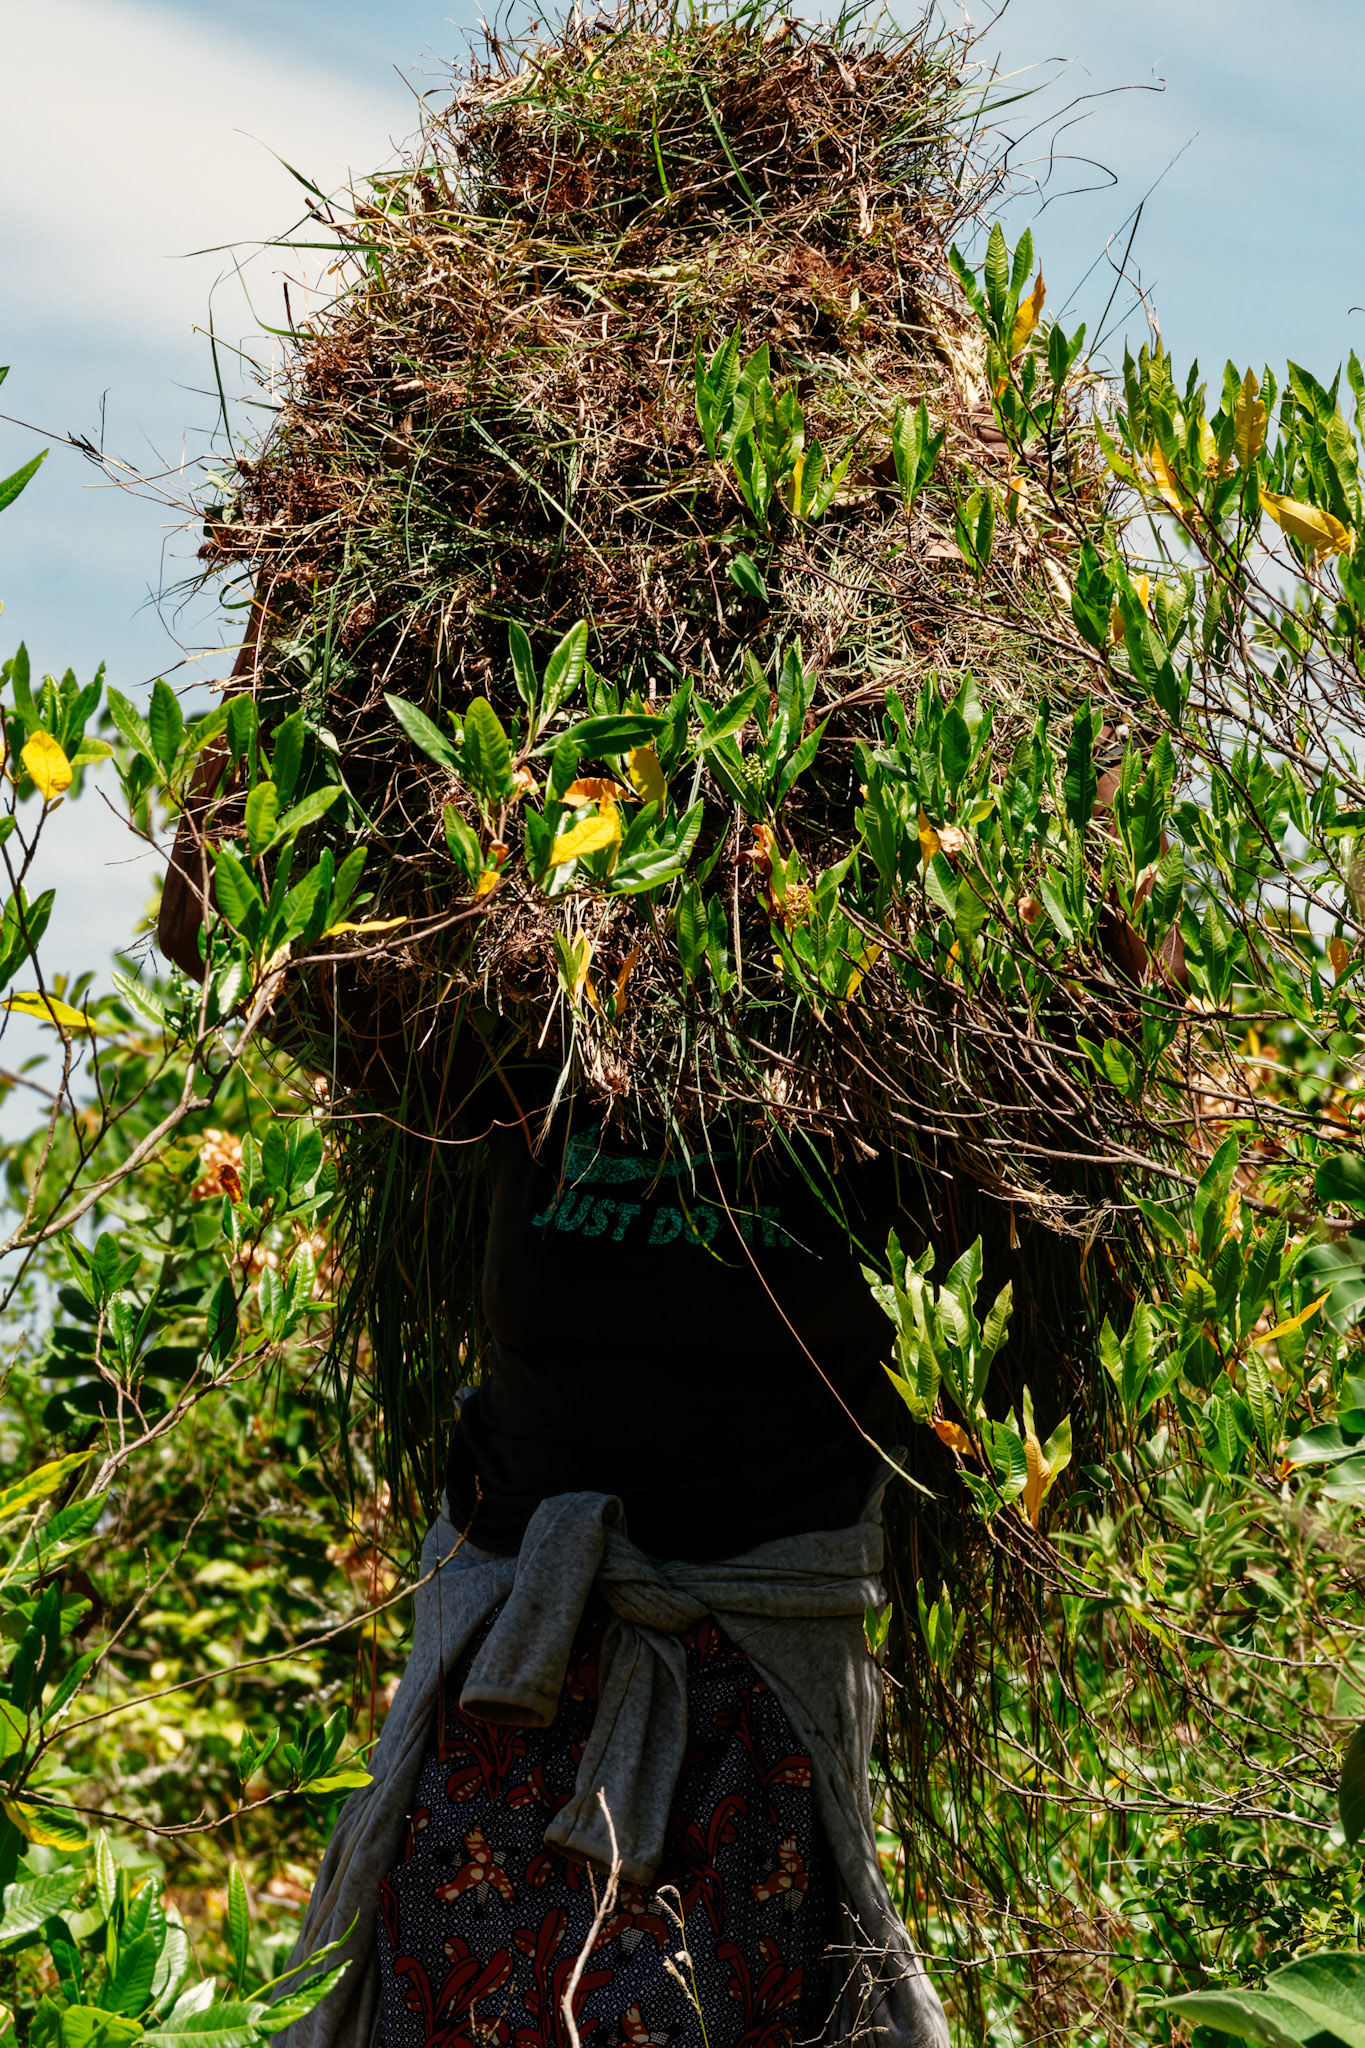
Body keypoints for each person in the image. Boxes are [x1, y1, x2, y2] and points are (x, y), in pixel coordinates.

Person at [160, 677, 950, 2048]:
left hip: (748, 1715)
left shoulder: (902, 1085)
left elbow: (1117, 1036)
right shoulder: (531, 1054)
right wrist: (286, 654)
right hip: (506, 1695)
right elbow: (212, 931)